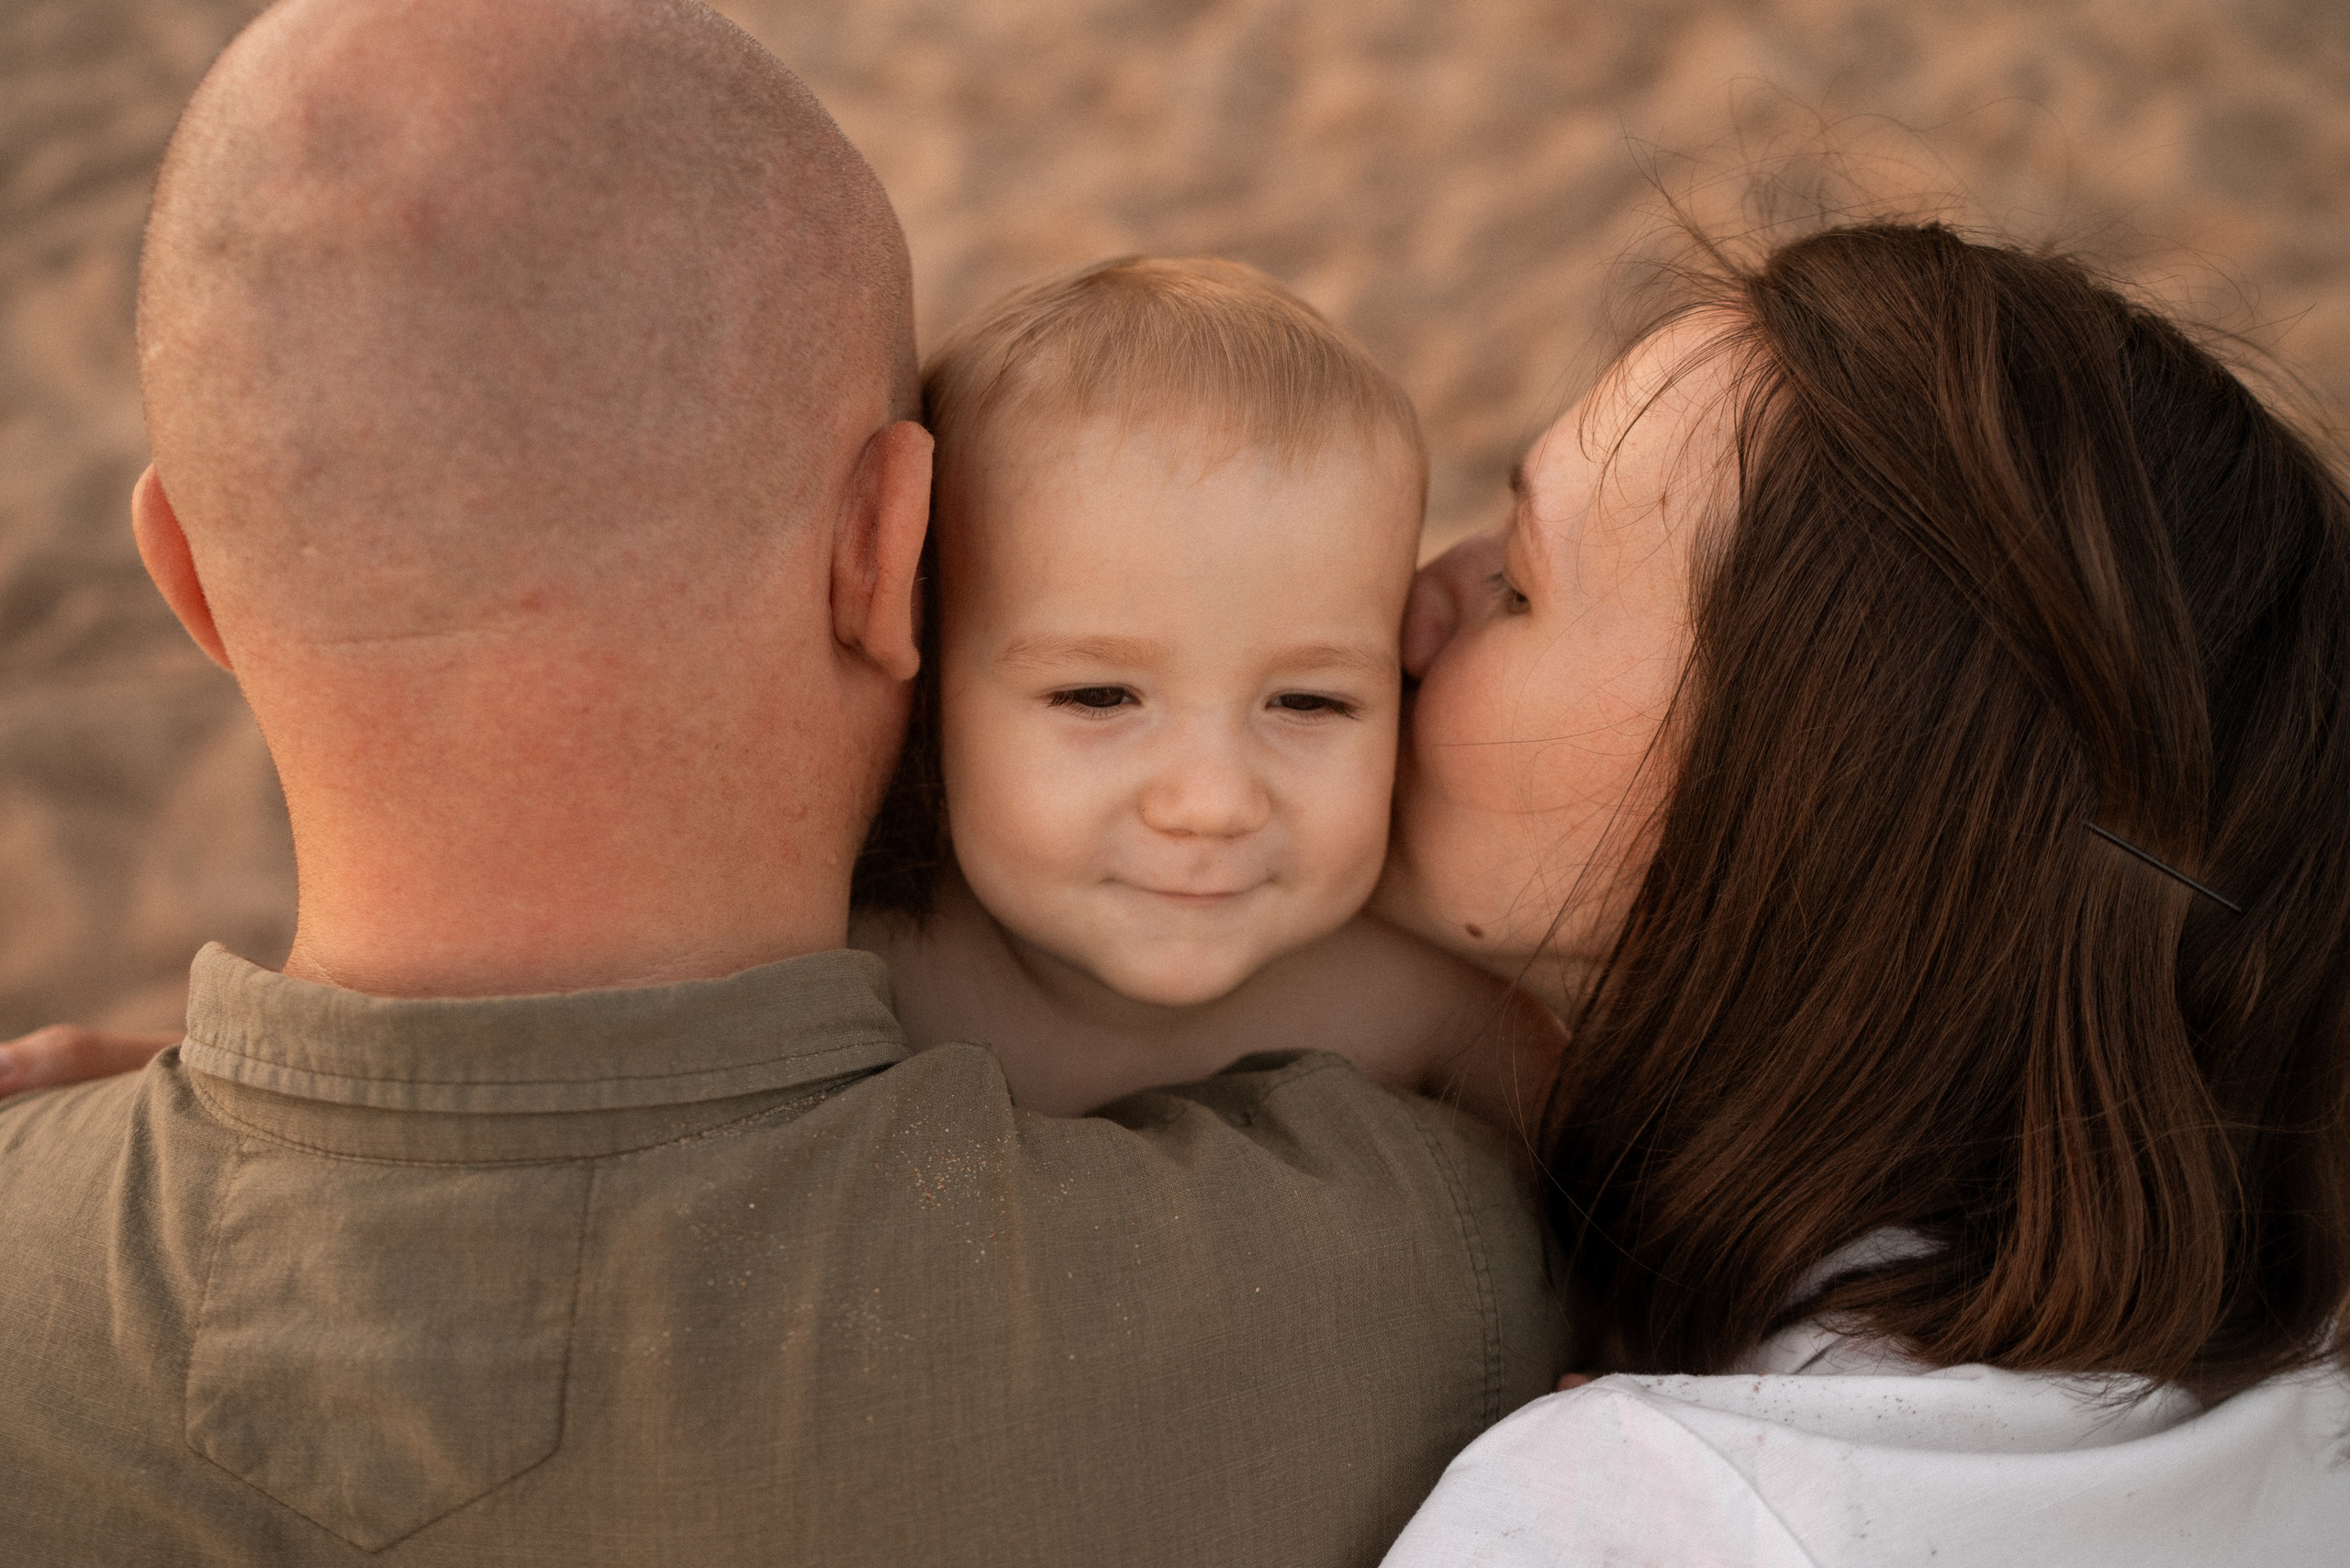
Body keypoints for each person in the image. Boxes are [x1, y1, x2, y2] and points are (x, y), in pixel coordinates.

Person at [0, 1, 1567, 1562]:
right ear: (890, 558)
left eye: (1307, 697)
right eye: (1101, 693)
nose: (1207, 797)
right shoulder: (1397, 1285)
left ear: (192, 585)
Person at [1372, 222, 2350, 1562]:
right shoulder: (2302, 1387)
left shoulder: (1643, 1513)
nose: (1418, 598)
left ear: (1789, 819)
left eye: (1522, 586)